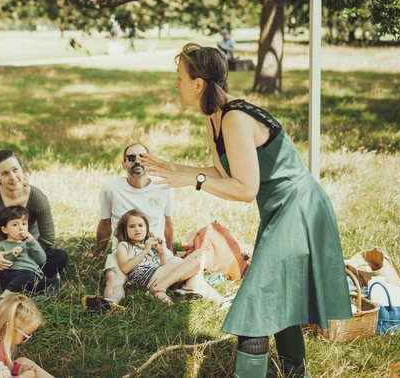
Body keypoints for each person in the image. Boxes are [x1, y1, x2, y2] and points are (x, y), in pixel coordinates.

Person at [141, 43, 352, 378]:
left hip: (300, 209)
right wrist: (179, 170)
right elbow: (227, 174)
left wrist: (193, 178)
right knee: (278, 294)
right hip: (282, 210)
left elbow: (244, 189)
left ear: (198, 84)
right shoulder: (214, 119)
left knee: (255, 303)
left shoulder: (236, 118)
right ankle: (296, 373)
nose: (175, 84)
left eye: (179, 77)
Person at [84, 142, 174, 312]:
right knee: (113, 278)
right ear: (124, 164)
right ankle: (107, 304)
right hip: (124, 250)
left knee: (192, 266)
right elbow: (105, 223)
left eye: (142, 157)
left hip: (155, 249)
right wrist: (98, 252)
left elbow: (168, 221)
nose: (137, 161)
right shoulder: (111, 188)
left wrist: (169, 250)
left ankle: (196, 291)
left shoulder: (164, 186)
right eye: (131, 158)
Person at [0, 149, 67, 286]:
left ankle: (7, 278)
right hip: (3, 251)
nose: (12, 176)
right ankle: (34, 280)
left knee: (60, 257)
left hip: (32, 249)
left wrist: (27, 254)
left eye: (15, 170)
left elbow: (48, 237)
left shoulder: (37, 197)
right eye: (5, 173)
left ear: (22, 169)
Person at [0, 294, 54, 378]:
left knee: (23, 361)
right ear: (10, 328)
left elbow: (4, 365)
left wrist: (20, 369)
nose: (27, 339)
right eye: (26, 336)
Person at [0, 206, 62, 300]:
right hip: (12, 276)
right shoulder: (0, 246)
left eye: (24, 224)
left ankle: (35, 299)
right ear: (5, 229)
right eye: (15, 225)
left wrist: (32, 242)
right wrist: (12, 255)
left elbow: (42, 260)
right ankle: (4, 298)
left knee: (57, 282)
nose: (21, 228)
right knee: (26, 274)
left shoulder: (30, 244)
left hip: (34, 279)